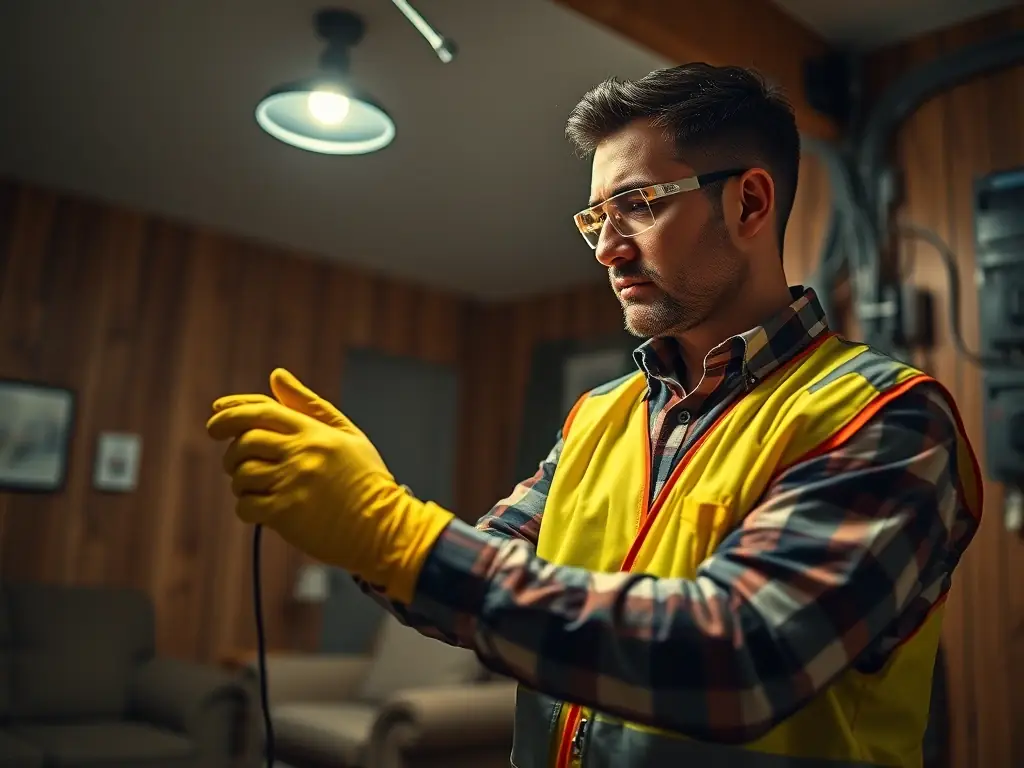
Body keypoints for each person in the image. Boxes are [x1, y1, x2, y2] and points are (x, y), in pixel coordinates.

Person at [207, 63, 981, 768]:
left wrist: (392, 533)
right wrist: (362, 515)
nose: (607, 249)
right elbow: (472, 581)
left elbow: (745, 656)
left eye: (637, 206)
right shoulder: (598, 416)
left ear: (749, 202)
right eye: (593, 220)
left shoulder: (883, 415)